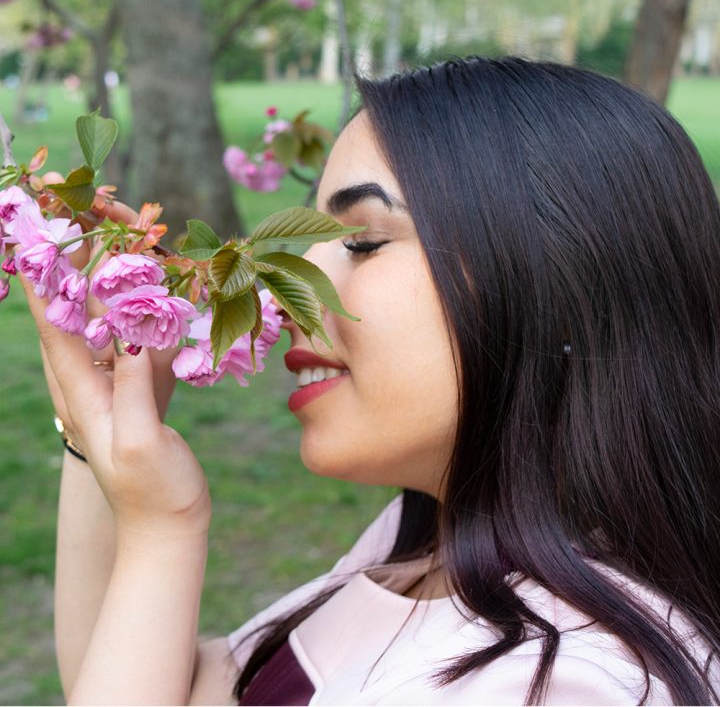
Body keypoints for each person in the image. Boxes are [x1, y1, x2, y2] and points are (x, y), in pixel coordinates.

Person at [19, 56, 720, 704]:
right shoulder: (434, 545)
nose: (288, 288)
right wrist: (104, 440)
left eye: (363, 241)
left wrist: (162, 533)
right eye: (314, 241)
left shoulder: (563, 685)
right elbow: (135, 681)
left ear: (556, 279)